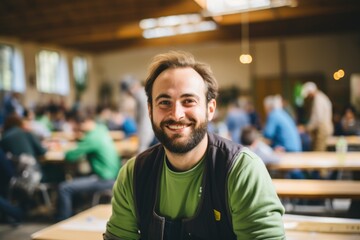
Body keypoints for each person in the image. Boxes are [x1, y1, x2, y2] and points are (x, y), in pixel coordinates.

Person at [104, 51, 285, 240]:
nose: (176, 114)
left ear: (210, 109)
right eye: (164, 102)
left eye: (188, 101)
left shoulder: (241, 170)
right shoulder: (133, 174)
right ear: (150, 110)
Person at [55, 111, 121, 220]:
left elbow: (70, 156)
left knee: (64, 188)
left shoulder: (91, 138)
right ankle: (74, 212)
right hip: (113, 175)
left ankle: (62, 222)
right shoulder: (100, 130)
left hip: (104, 179)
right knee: (77, 177)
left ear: (84, 123)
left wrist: (65, 150)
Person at [120, 75, 156, 153]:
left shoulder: (142, 96)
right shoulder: (140, 96)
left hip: (149, 139)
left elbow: (145, 122)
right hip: (148, 138)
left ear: (130, 89)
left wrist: (142, 147)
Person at [301, 82, 333, 151]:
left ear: (311, 92)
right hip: (322, 129)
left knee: (319, 153)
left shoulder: (319, 100)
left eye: (308, 95)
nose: (309, 97)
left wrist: (306, 128)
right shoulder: (320, 98)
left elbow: (318, 119)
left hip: (322, 130)